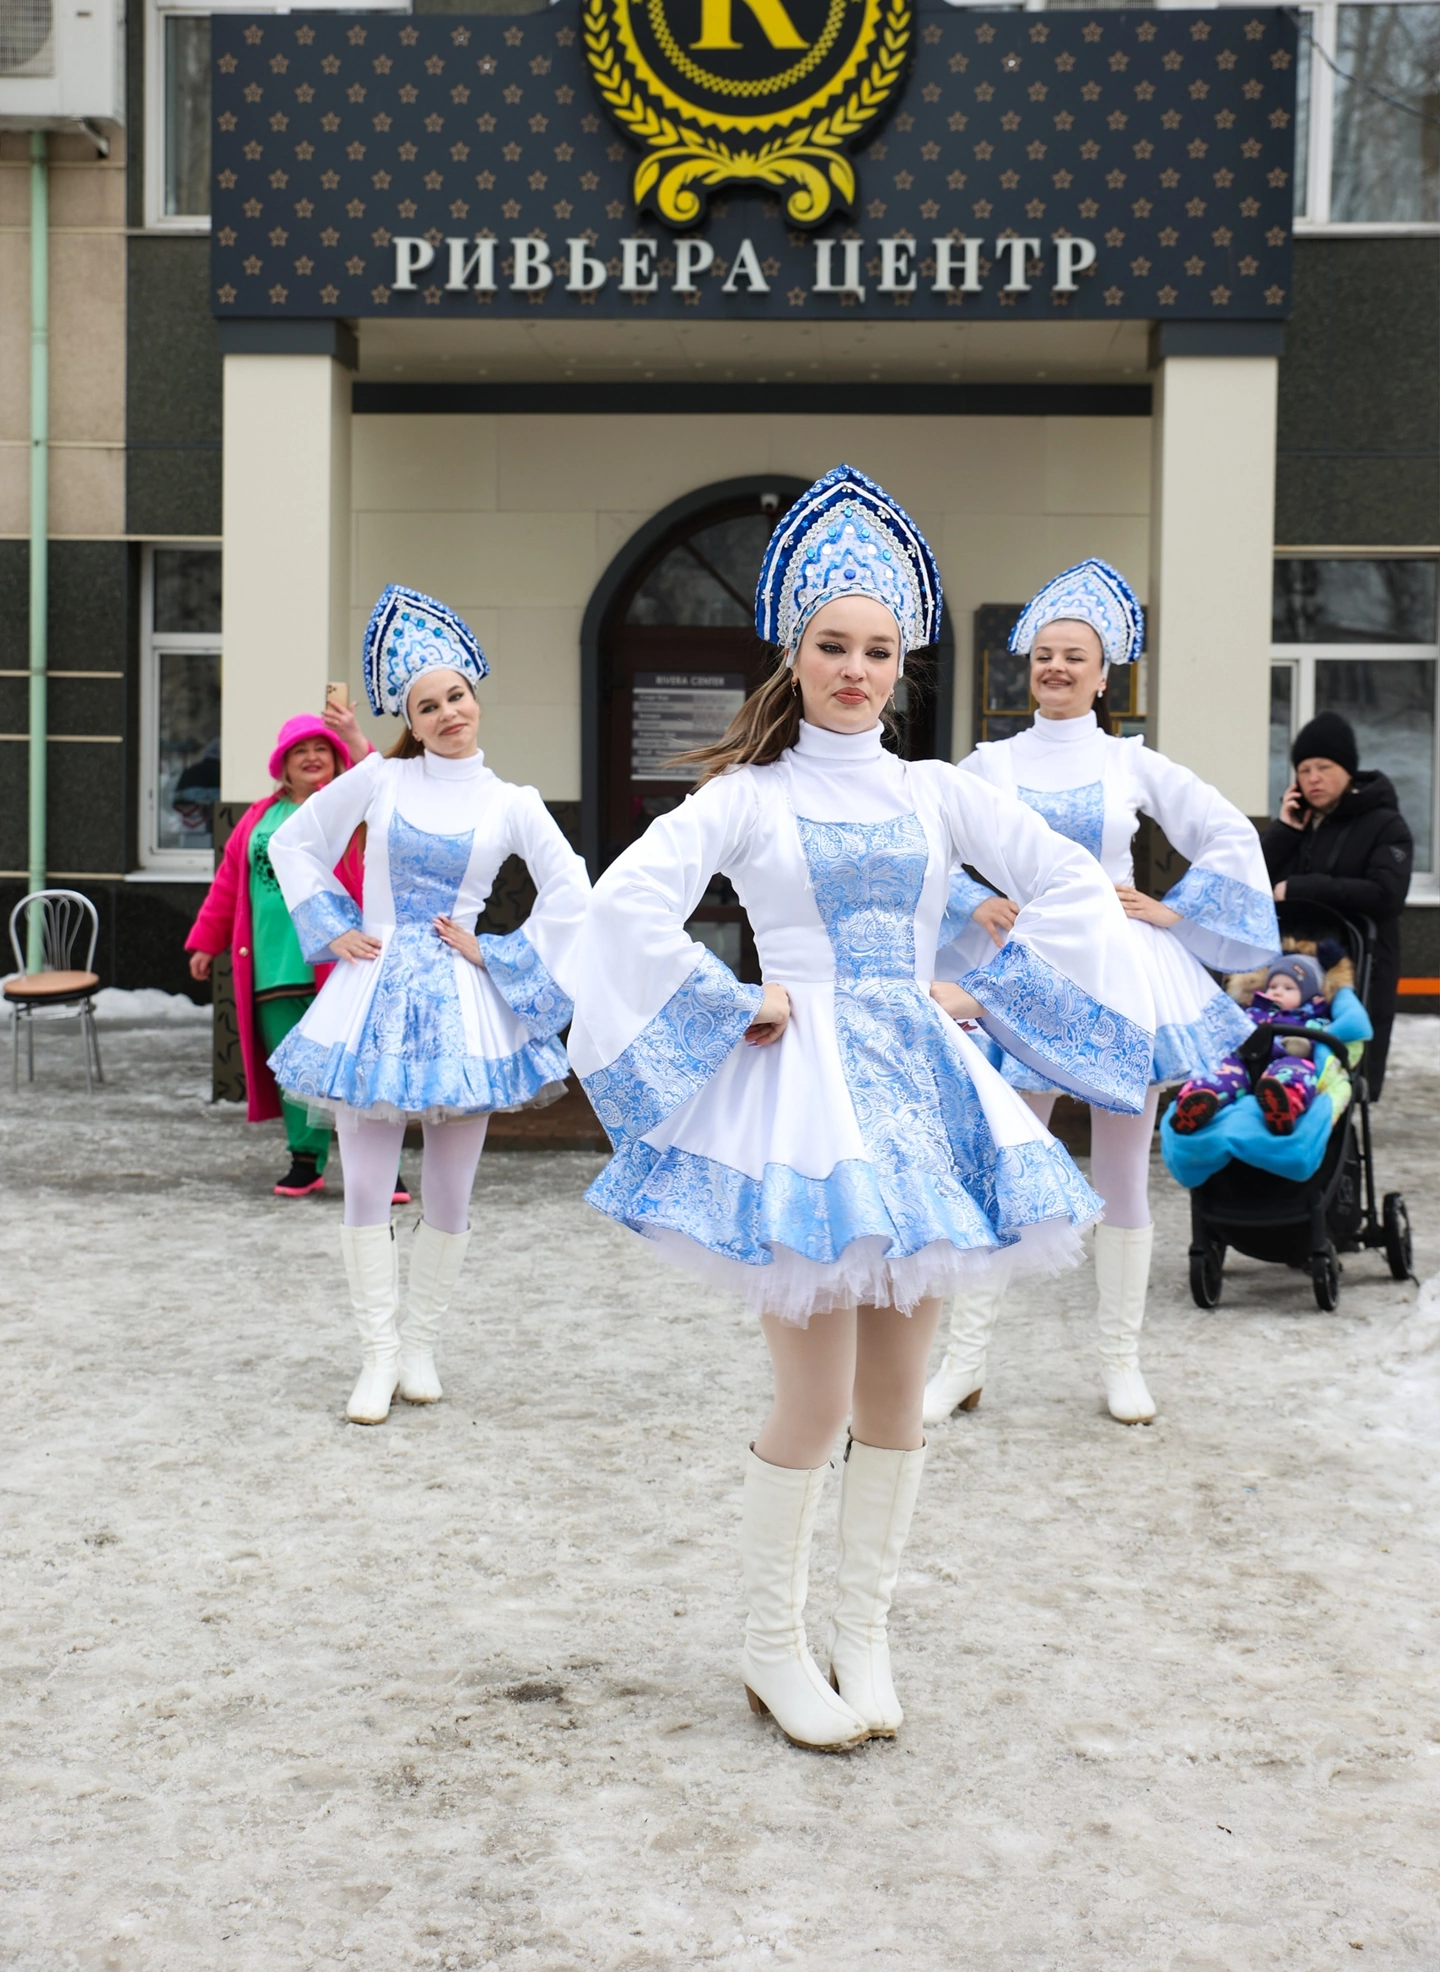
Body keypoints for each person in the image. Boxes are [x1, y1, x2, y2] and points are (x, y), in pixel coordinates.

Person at [568, 468, 1154, 1753]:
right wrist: (734, 1001)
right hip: (804, 1114)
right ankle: (771, 1646)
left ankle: (863, 1633)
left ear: (904, 665)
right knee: (815, 1401)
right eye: (834, 645)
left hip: (923, 1103)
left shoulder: (937, 792)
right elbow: (620, 906)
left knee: (896, 1397)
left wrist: (985, 988)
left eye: (879, 650)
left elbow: (1071, 885)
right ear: (795, 652)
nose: (856, 669)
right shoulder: (748, 797)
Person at [926, 559, 1280, 1428]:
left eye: (1073, 657)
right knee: (1003, 1162)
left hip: (1122, 976)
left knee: (1122, 1173)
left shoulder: (1130, 761)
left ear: (1103, 673)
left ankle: (1121, 1364)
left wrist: (1175, 908)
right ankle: (963, 1364)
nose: (1055, 668)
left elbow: (1225, 830)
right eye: (1044, 655)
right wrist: (975, 902)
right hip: (1023, 977)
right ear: (1027, 666)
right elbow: (924, 843)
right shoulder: (988, 764)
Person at [267, 586, 589, 1425]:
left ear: (476, 697)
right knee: (366, 1189)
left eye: (457, 696)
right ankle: (376, 1356)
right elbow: (293, 841)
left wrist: (499, 952)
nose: (449, 714)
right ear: (409, 718)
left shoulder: (511, 801)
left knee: (450, 1194)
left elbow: (572, 889)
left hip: (463, 1009)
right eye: (429, 705)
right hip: (369, 1000)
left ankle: (420, 1347)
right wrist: (334, 925)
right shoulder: (380, 777)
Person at [185, 714, 384, 1199]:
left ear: (338, 758)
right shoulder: (258, 819)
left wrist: (357, 738)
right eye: (300, 751)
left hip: (344, 964)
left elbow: (385, 778)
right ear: (283, 765)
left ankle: (382, 1168)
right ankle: (305, 1161)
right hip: (274, 968)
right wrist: (206, 941)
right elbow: (229, 884)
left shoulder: (357, 806)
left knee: (359, 1067)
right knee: (296, 1072)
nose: (312, 757)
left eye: (322, 748)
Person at [1261, 711, 1412, 1099]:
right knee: (1275, 1068)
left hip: (1357, 971)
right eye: (1304, 769)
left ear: (1348, 770)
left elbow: (1387, 894)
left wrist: (1301, 888)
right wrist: (1284, 832)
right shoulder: (1299, 824)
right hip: (1288, 971)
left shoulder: (1386, 825)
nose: (1313, 778)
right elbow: (1252, 881)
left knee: (1341, 1079)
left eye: (1324, 767)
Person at [1172, 953, 1333, 1136]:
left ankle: (1284, 1102)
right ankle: (1197, 1100)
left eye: (1288, 988)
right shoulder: (1253, 1011)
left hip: (1284, 1060)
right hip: (1244, 1061)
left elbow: (1320, 1039)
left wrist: (1304, 1045)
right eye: (1273, 986)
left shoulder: (1311, 1019)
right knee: (1221, 1071)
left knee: (1297, 1071)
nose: (1277, 992)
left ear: (1308, 995)